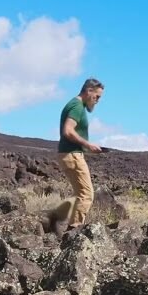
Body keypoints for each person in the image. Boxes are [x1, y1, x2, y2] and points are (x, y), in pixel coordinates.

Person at [48, 78, 104, 235]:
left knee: (78, 194)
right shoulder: (77, 106)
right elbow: (68, 130)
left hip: (68, 154)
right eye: (97, 96)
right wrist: (88, 144)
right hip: (72, 155)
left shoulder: (75, 105)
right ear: (89, 91)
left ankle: (54, 220)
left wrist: (87, 147)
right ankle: (73, 231)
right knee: (86, 194)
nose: (98, 100)